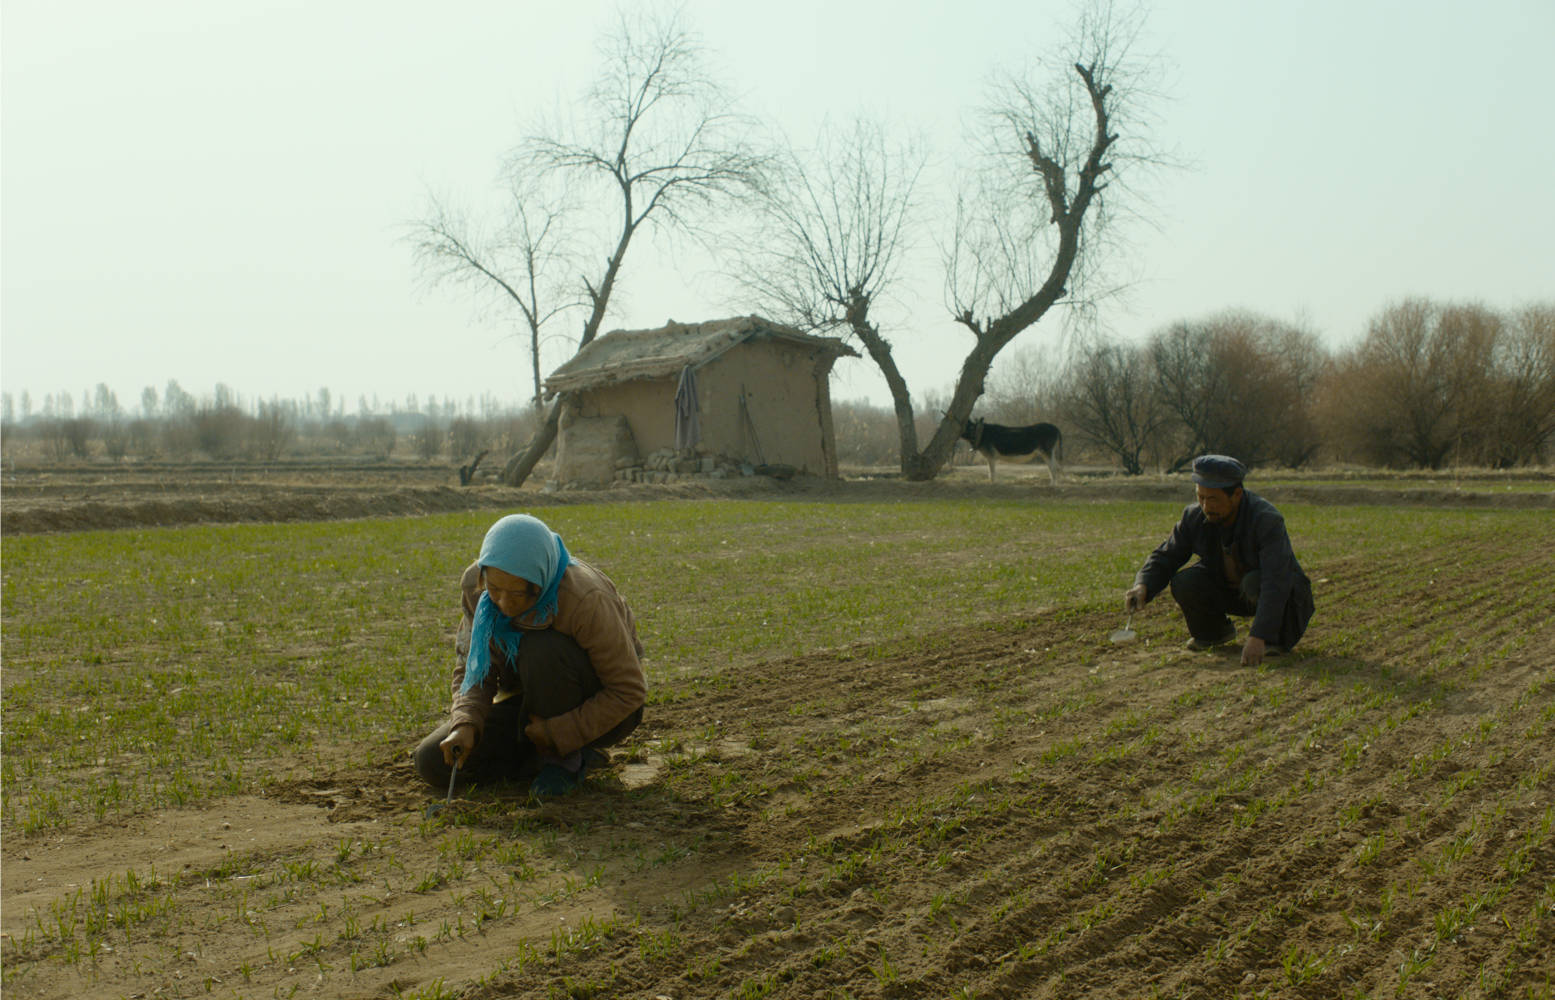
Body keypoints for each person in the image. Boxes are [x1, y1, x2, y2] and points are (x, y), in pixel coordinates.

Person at [414, 513, 646, 798]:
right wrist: (466, 723)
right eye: (494, 590)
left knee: (540, 648)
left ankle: (565, 760)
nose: (503, 603)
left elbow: (628, 691)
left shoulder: (585, 599)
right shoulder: (476, 590)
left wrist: (560, 732)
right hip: (531, 701)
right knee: (432, 762)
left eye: (518, 594)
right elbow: (474, 668)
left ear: (539, 582)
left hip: (600, 707)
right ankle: (543, 755)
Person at [1124, 455, 1314, 666]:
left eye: (1213, 499)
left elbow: (1276, 581)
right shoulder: (1193, 517)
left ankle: (1274, 639)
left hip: (1276, 596)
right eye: (1200, 497)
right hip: (1232, 590)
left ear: (1237, 495)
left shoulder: (1266, 520)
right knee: (1185, 582)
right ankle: (1213, 634)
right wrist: (1142, 585)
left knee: (1255, 582)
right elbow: (1167, 555)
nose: (1205, 506)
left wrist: (1260, 635)